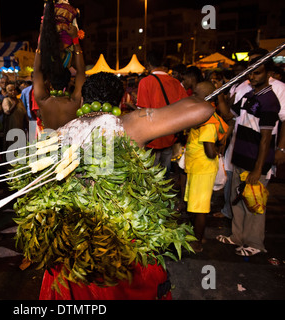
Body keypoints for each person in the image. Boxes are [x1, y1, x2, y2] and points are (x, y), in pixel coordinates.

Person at [17, 71, 214, 300]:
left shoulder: (64, 131)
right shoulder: (126, 124)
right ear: (120, 102)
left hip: (74, 243)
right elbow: (203, 109)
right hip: (116, 242)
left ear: (82, 101)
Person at [216, 56, 281, 257]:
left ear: (269, 74)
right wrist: (220, 92)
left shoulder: (270, 101)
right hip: (240, 157)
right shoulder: (248, 95)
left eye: (257, 72)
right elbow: (228, 115)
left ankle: (255, 243)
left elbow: (265, 140)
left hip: (255, 162)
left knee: (254, 204)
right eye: (250, 72)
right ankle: (237, 236)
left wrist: (258, 169)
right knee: (238, 200)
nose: (252, 76)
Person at [184, 81, 228, 253]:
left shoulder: (208, 121)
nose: (192, 96)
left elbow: (210, 151)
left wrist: (217, 150)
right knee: (195, 206)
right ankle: (197, 236)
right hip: (197, 167)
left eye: (196, 94)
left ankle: (198, 242)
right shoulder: (202, 115)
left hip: (203, 169)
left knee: (200, 208)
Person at [34, 1, 86, 131]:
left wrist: (42, 39)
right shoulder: (74, 102)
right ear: (69, 82)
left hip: (48, 149)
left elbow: (37, 71)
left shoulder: (42, 100)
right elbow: (81, 72)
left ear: (49, 82)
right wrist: (75, 40)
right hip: (69, 150)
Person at [136, 51, 189, 177]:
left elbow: (142, 113)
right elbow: (184, 107)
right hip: (170, 135)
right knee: (165, 175)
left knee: (150, 176)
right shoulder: (175, 82)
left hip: (152, 137)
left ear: (148, 64)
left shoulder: (145, 82)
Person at [2, 83, 29, 151]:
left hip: (20, 128)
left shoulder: (20, 100)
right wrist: (14, 104)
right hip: (11, 128)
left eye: (14, 90)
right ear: (7, 92)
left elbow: (24, 113)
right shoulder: (6, 100)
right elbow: (7, 112)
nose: (13, 92)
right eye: (10, 90)